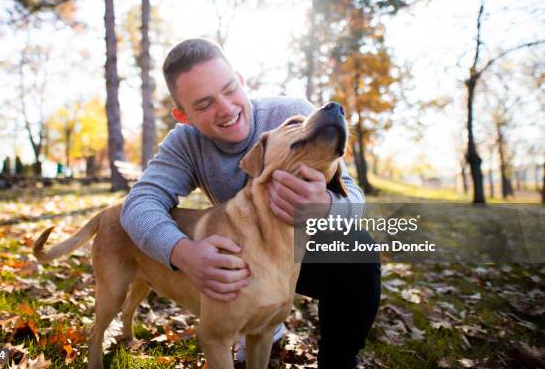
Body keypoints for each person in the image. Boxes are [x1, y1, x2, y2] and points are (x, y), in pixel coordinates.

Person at [120, 38, 380, 368]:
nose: (226, 109)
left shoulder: (293, 115)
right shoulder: (185, 144)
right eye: (204, 105)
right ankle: (257, 321)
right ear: (183, 116)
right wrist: (183, 253)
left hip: (301, 251)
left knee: (357, 252)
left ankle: (337, 361)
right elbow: (140, 202)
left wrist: (326, 207)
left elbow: (354, 199)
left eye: (230, 89)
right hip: (243, 259)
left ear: (242, 81)